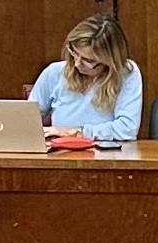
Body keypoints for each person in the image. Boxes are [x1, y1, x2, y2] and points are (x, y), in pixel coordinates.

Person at [31, 11, 142, 148]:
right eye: (74, 53)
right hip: (59, 153)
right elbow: (27, 119)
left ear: (109, 61)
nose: (77, 64)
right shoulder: (54, 72)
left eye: (88, 60)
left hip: (106, 154)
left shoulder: (127, 73)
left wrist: (78, 133)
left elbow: (126, 129)